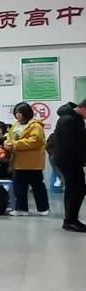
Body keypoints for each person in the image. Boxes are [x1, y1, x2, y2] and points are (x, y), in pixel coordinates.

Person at [4, 102, 49, 217]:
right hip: (18, 161)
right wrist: (7, 142)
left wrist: (15, 144)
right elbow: (9, 136)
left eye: (20, 113)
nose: (17, 115)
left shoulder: (35, 125)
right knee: (19, 187)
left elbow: (35, 141)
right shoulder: (16, 125)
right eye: (16, 113)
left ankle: (43, 208)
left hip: (32, 162)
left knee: (37, 186)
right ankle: (21, 209)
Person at [51, 99, 86, 232]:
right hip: (68, 159)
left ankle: (71, 219)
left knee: (76, 189)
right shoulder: (68, 120)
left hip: (72, 159)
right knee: (76, 189)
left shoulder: (75, 119)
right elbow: (71, 144)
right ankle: (70, 220)